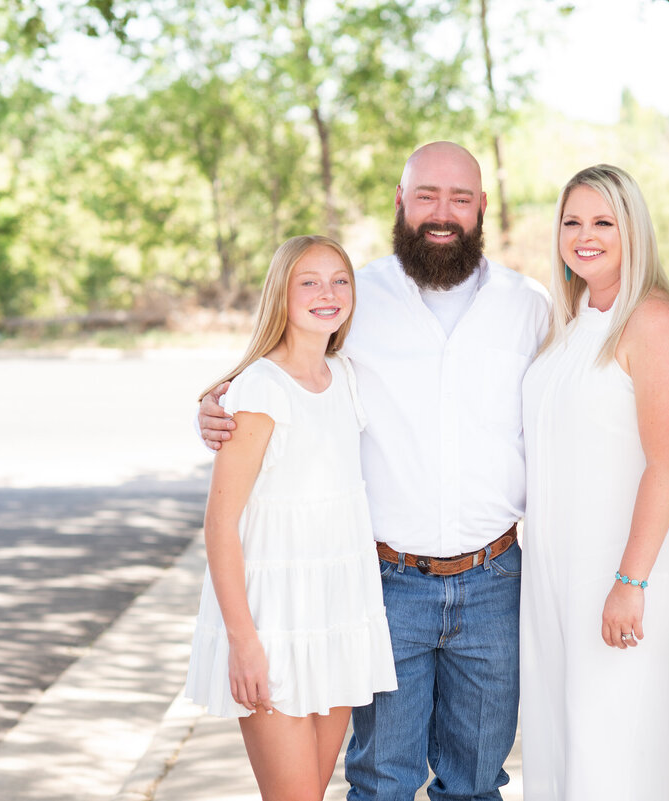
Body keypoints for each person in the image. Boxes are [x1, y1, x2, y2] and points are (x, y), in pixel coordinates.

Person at [198, 142, 551, 800]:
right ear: (400, 203)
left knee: (476, 781)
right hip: (387, 584)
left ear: (481, 208)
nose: (443, 213)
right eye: (427, 196)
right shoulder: (356, 298)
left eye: (460, 198)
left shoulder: (527, 306)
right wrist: (214, 403)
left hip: (495, 580)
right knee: (382, 780)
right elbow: (277, 371)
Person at [184, 235, 398, 801]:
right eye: (309, 281)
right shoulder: (259, 389)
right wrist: (243, 642)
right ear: (281, 293)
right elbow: (220, 524)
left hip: (335, 615)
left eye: (339, 280)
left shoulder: (345, 377)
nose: (327, 294)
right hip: (273, 623)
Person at [519, 164, 669, 799]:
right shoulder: (570, 319)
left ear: (633, 230)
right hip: (558, 571)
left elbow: (667, 461)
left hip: (625, 570)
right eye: (573, 221)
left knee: (618, 748)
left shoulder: (651, 319)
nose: (584, 234)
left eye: (604, 221)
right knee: (567, 741)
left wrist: (629, 582)